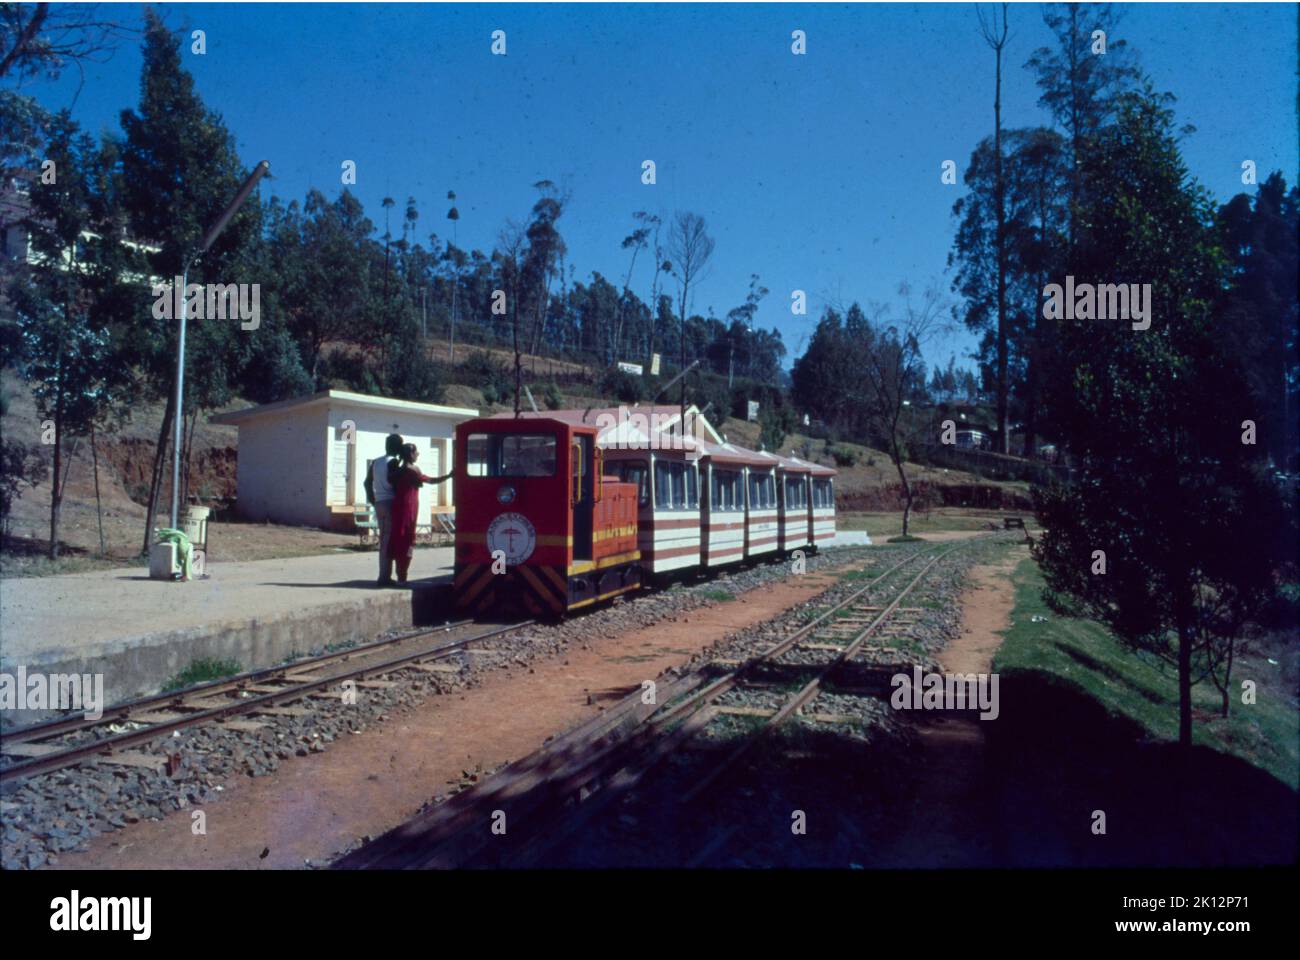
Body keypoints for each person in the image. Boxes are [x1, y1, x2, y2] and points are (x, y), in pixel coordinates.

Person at [387, 443, 452, 584]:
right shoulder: (413, 470)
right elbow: (430, 480)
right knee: (407, 539)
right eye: (416, 452)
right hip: (409, 507)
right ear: (410, 454)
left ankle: (399, 573)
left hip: (398, 506)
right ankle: (402, 575)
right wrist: (448, 476)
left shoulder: (398, 471)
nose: (418, 454)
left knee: (398, 538)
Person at [364, 433, 403, 586]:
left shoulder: (376, 462)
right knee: (388, 541)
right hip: (391, 502)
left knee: (384, 540)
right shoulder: (393, 462)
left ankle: (384, 575)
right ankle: (384, 577)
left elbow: (367, 483)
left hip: (379, 503)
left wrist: (374, 501)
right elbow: (397, 484)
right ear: (397, 447)